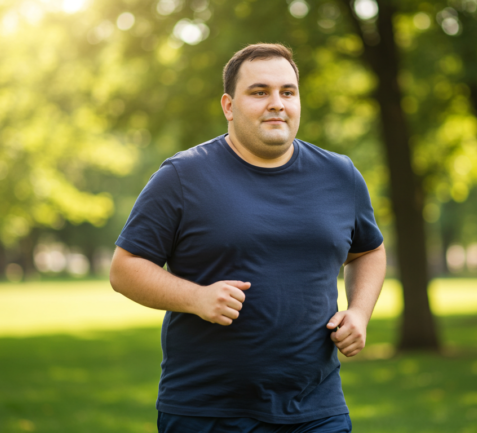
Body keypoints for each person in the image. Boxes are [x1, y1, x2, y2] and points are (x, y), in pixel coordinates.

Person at [110, 43, 386, 433]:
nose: (277, 103)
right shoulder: (182, 177)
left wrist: (359, 312)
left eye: (287, 92)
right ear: (229, 105)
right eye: (260, 92)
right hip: (208, 412)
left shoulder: (340, 175)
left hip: (316, 409)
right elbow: (125, 269)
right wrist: (197, 298)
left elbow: (368, 251)